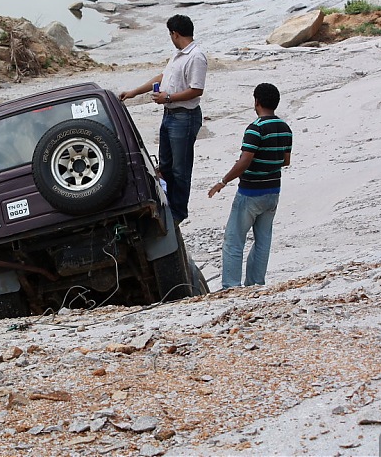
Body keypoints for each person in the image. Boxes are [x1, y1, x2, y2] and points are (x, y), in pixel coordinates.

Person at [120, 14, 207, 225]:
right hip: (169, 115)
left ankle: (178, 212)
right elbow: (162, 77)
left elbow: (196, 90)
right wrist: (134, 92)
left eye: (170, 34)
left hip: (184, 117)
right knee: (165, 164)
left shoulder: (196, 56)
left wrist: (168, 97)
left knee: (180, 168)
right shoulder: (178, 55)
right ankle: (166, 204)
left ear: (175, 34)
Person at [208, 83, 293, 289]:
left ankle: (231, 285)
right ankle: (255, 283)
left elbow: (245, 161)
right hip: (273, 191)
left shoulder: (255, 128)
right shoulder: (285, 128)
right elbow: (286, 160)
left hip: (250, 192)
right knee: (263, 240)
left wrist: (223, 181)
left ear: (257, 101)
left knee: (234, 240)